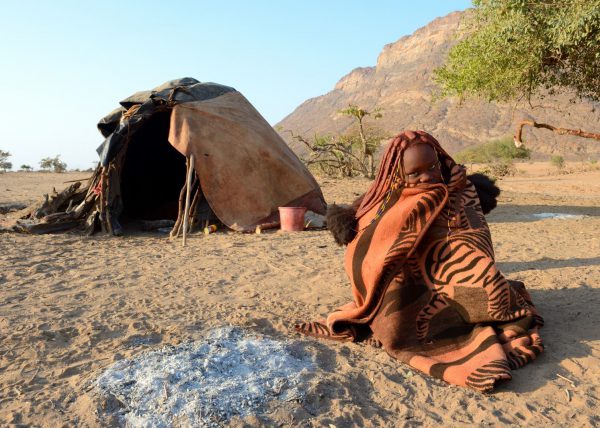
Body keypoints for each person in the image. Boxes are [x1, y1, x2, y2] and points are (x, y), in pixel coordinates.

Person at [296, 130, 543, 393]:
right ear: (400, 174)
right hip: (409, 285)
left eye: (432, 167)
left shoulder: (458, 190)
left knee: (487, 284)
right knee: (398, 304)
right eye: (415, 173)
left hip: (452, 274)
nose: (426, 176)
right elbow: (371, 248)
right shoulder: (385, 201)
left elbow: (473, 236)